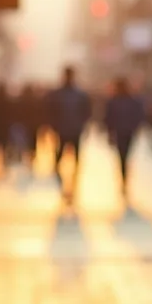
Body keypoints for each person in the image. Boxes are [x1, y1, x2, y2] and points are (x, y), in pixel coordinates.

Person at [46, 66, 93, 203]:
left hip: (70, 130)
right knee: (62, 157)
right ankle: (66, 182)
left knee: (72, 158)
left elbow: (86, 113)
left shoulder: (75, 94)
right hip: (66, 130)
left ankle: (71, 183)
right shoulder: (74, 94)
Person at [103, 76, 147, 197]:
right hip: (127, 132)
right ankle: (124, 178)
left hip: (120, 132)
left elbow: (108, 119)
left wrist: (109, 132)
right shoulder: (132, 100)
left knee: (122, 157)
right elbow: (139, 116)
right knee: (125, 156)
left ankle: (123, 178)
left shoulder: (113, 101)